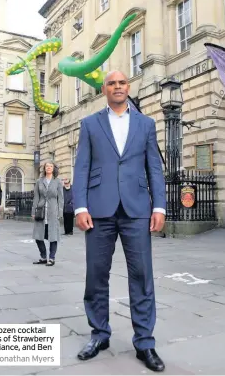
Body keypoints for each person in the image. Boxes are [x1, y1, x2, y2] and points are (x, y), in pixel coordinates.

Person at [73, 70, 166, 372]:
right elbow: (82, 167)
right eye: (111, 83)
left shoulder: (146, 124)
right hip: (98, 209)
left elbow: (154, 166)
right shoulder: (89, 124)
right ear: (104, 90)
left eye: (122, 83)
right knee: (96, 275)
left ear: (128, 88)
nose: (117, 87)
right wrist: (79, 207)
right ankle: (100, 334)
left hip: (137, 209)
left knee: (142, 276)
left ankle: (145, 342)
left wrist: (160, 207)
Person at [31, 161, 63, 267]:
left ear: (54, 169)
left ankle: (52, 258)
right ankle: (43, 257)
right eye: (47, 166)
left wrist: (60, 212)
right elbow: (36, 197)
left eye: (51, 166)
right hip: (40, 210)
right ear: (44, 169)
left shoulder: (58, 182)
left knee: (53, 235)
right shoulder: (39, 181)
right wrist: (33, 211)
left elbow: (60, 199)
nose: (48, 168)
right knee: (38, 236)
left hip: (53, 211)